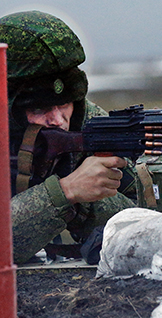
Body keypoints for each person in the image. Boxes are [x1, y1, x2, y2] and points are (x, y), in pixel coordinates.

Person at [0, 10, 137, 265]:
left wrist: (89, 202)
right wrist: (66, 191)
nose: (58, 120)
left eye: (65, 103)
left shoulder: (89, 122)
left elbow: (144, 222)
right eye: (39, 109)